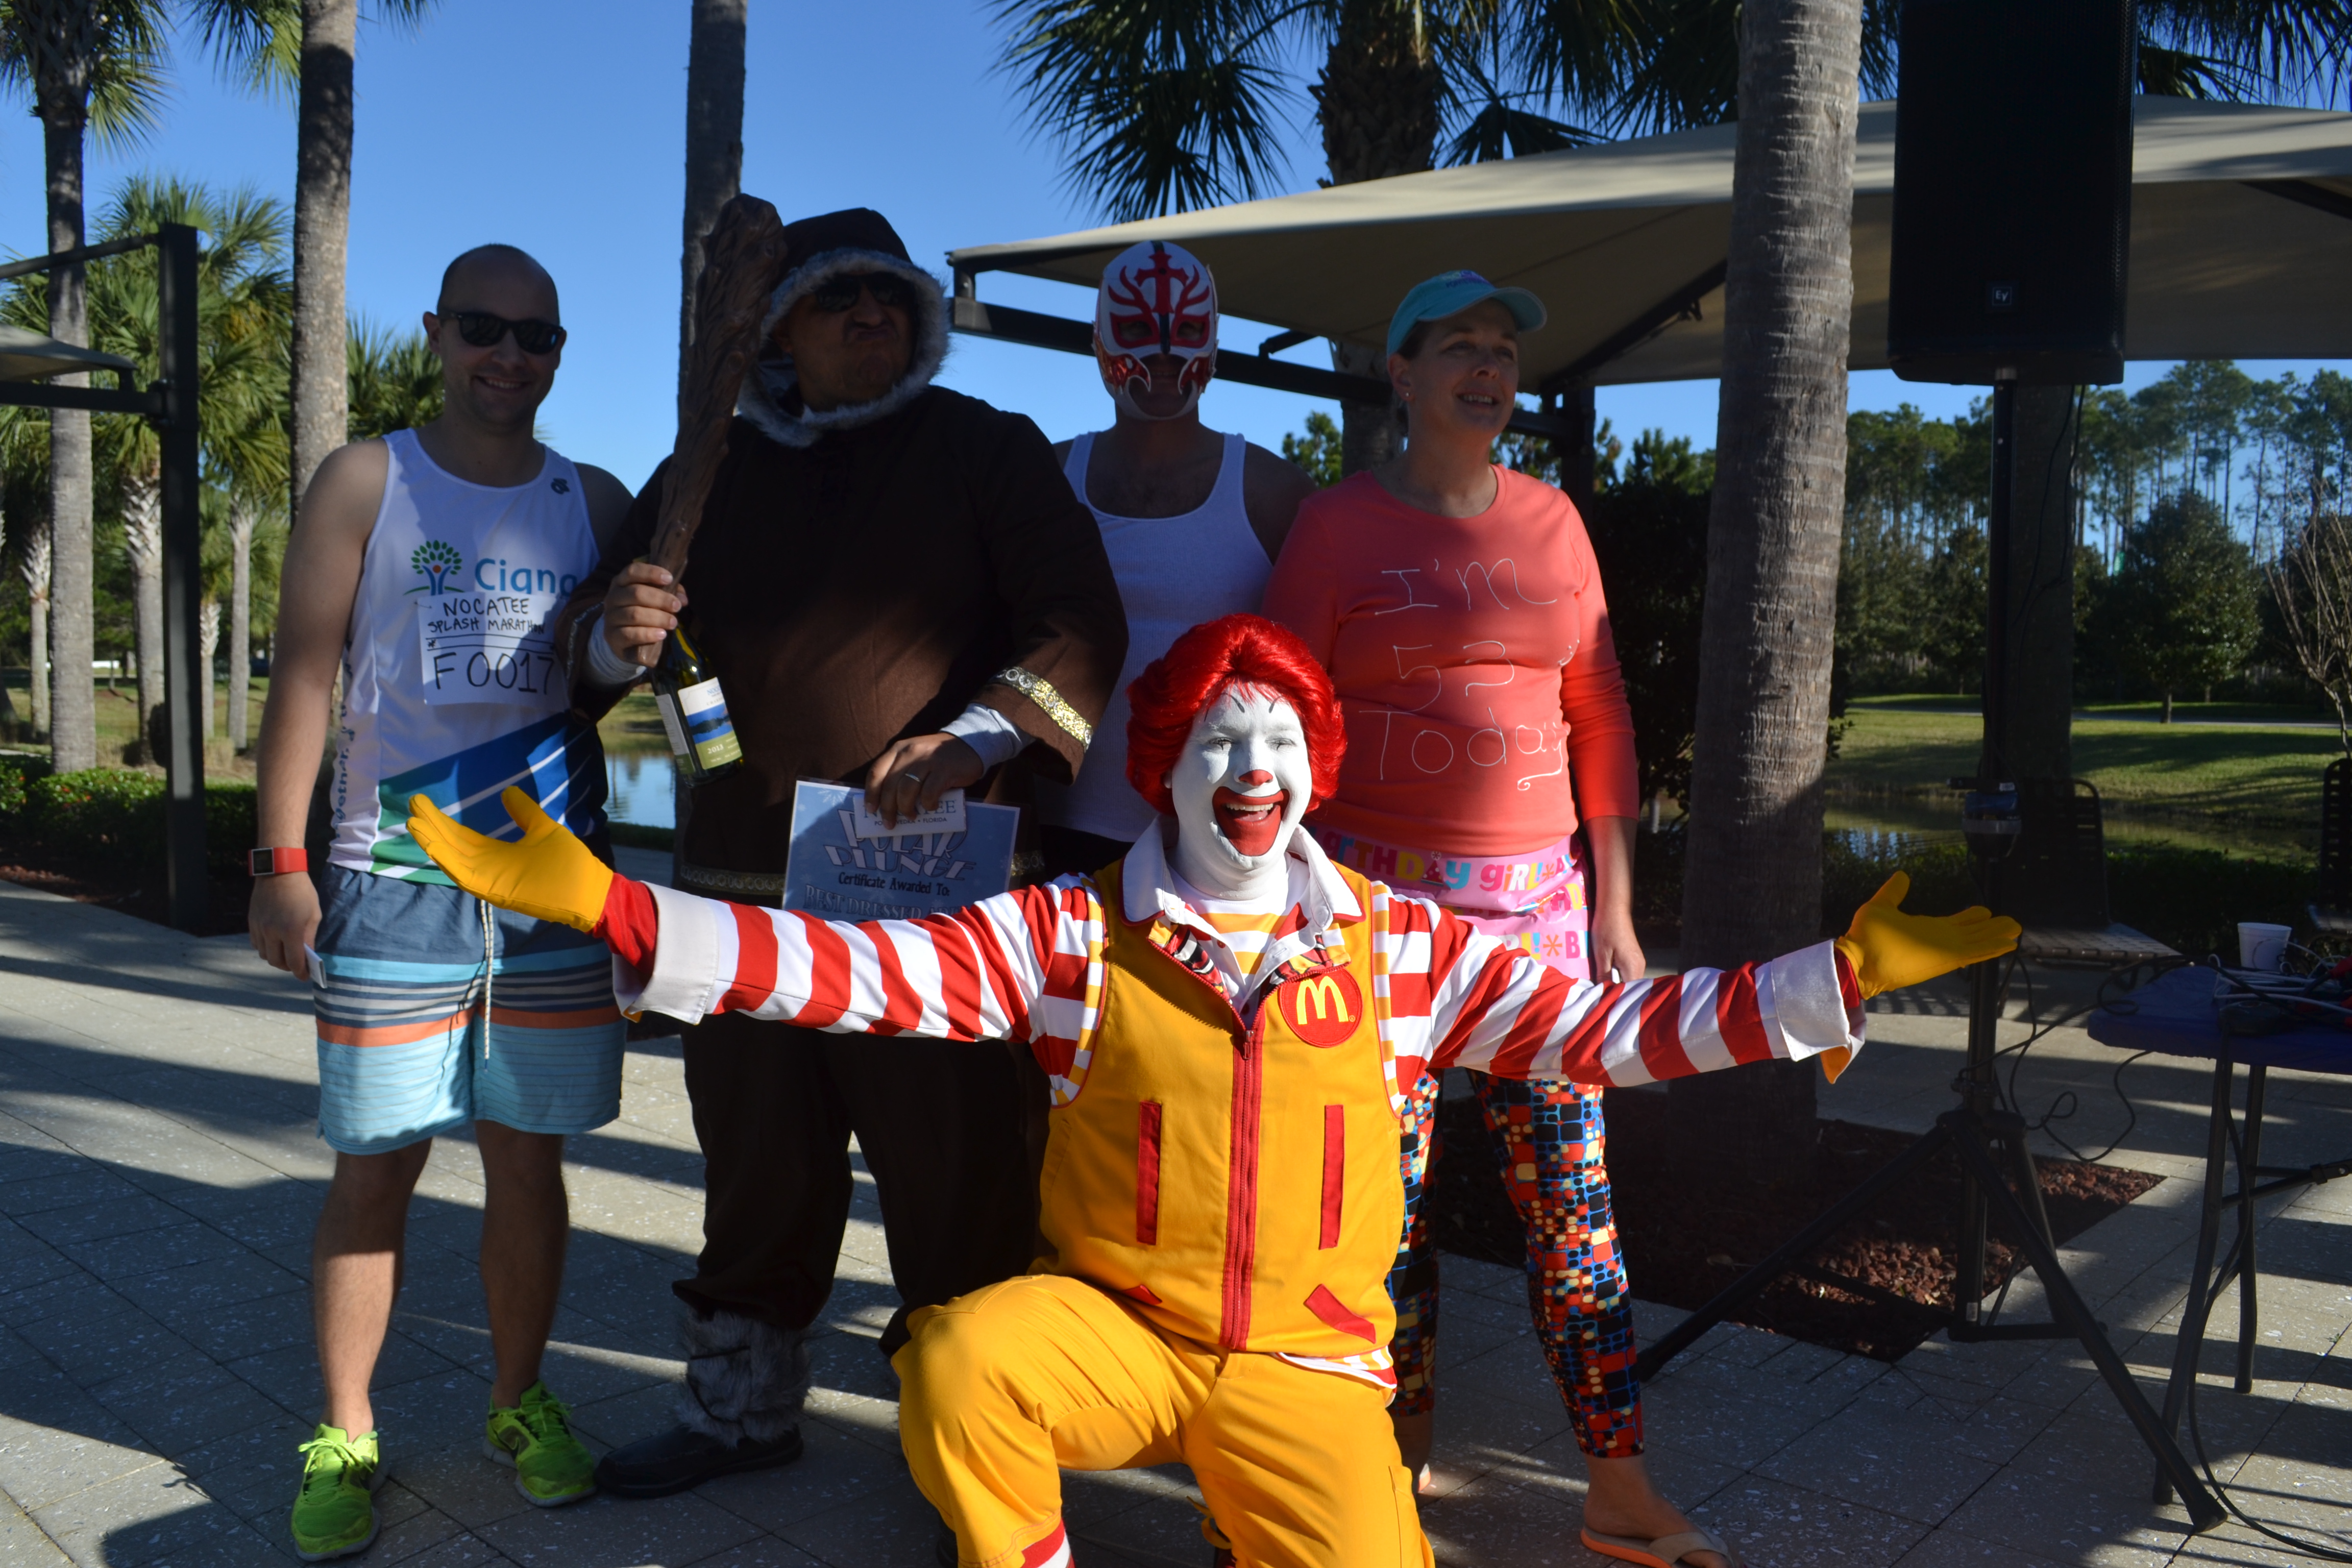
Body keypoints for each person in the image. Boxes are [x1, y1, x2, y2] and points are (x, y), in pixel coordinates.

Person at [405, 612, 2017, 1568]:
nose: (1252, 778)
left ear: (1314, 768)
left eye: (1280, 747)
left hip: (1313, 1371)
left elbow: (1605, 1030)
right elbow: (857, 974)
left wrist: (1837, 982)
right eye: (1219, 746)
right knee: (959, 1359)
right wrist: (626, 907)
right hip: (1114, 1333)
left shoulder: (1402, 949)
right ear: (1169, 764)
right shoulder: (1069, 931)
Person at [553, 206, 1127, 1500]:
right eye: (838, 299)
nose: (873, 314)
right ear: (775, 332)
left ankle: (978, 1454)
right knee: (756, 1165)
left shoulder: (986, 448)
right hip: (743, 903)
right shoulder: (709, 469)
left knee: (960, 1185)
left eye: (890, 296)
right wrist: (616, 631)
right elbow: (592, 648)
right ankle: (742, 1406)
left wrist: (974, 742)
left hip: (930, 915)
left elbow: (1079, 619)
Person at [1260, 268, 1695, 1564]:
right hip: (1373, 927)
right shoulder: (1334, 528)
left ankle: (1618, 1486)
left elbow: (1602, 711)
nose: (1489, 367)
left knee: (1574, 1210)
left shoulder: (1556, 523)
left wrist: (1618, 902)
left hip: (1539, 929)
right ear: (1399, 372)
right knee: (1374, 1223)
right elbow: (1277, 714)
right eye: (1460, 345)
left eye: (1503, 349)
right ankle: (1386, 1474)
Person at [248, 244, 636, 1559]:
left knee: (530, 1164)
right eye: (485, 328)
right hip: (392, 878)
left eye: (538, 337)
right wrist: (280, 860)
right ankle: (345, 1429)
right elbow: (305, 675)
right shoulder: (371, 476)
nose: (509, 357)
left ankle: (518, 1402)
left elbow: (617, 673)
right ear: (437, 331)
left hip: (544, 892)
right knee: (376, 1171)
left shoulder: (595, 496)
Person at [1036, 239, 1316, 877]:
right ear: (1099, 342)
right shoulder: (1046, 478)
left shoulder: (1275, 494)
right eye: (1136, 328)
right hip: (1057, 828)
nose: (1164, 352)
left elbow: (1318, 677)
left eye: (1188, 330)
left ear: (1214, 346)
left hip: (1220, 838)